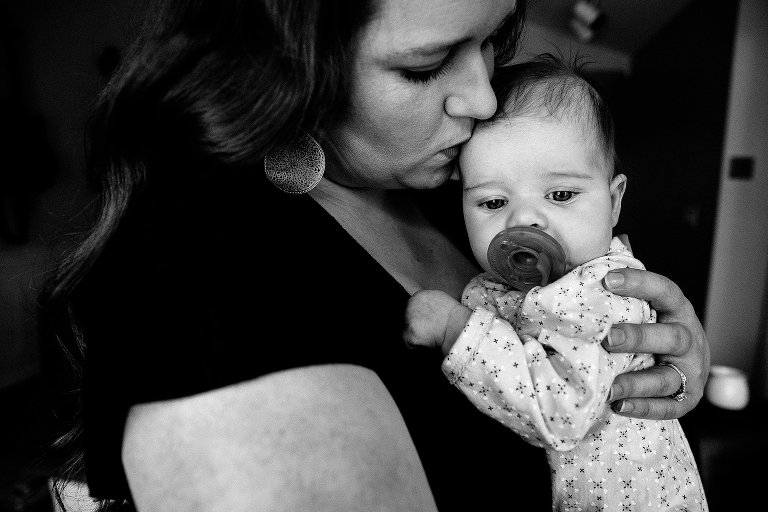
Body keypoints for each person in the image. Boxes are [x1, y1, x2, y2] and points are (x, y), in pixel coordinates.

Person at [43, 0, 710, 510]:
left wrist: (667, 361)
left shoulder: (464, 181)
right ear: (285, 60)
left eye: (491, 41)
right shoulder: (200, 271)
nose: (481, 98)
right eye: (423, 66)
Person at [404, 55, 707, 510]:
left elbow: (563, 413)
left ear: (614, 201)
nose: (523, 218)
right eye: (492, 201)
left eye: (561, 195)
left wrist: (456, 331)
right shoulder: (505, 284)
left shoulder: (601, 292)